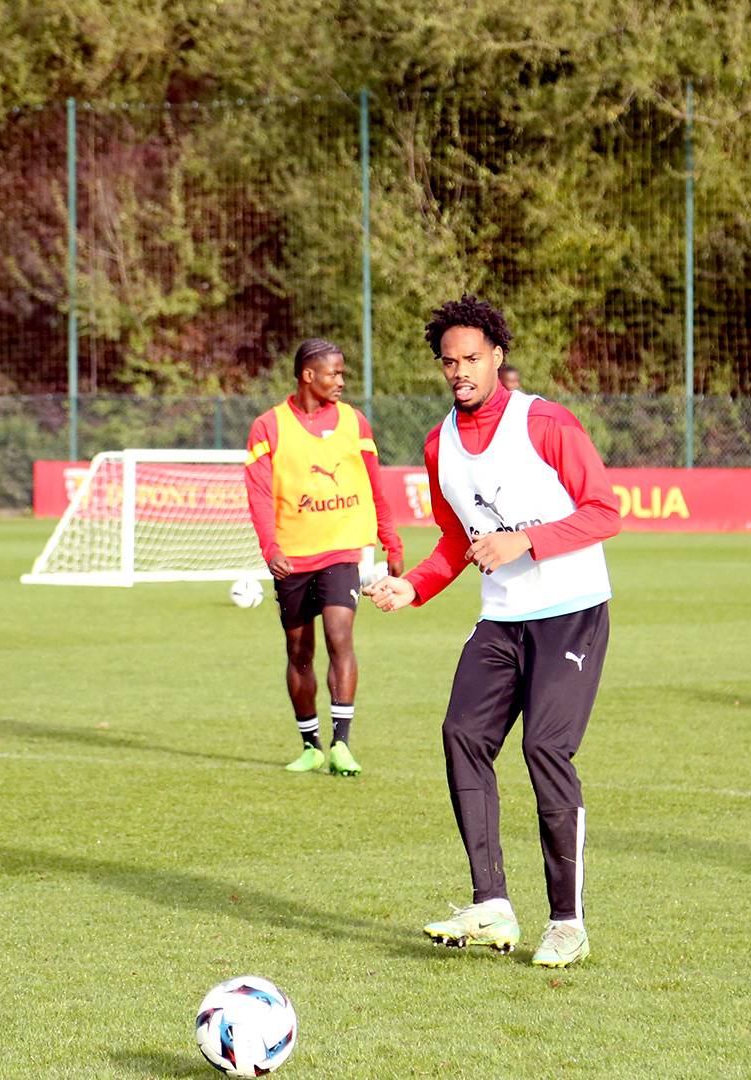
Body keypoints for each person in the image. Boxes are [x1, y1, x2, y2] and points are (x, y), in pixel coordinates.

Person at [364, 296, 620, 968]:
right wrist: (411, 585)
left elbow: (604, 512)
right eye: (449, 362)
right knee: (462, 734)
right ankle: (492, 906)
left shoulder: (546, 423)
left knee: (545, 749)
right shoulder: (437, 444)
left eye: (470, 358)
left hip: (571, 609)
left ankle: (567, 921)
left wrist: (524, 543)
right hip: (502, 620)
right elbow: (456, 540)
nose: (459, 371)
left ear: (497, 356)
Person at [244, 338, 404, 775]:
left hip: (342, 549)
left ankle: (342, 744)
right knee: (300, 651)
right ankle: (311, 745)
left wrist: (391, 540)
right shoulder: (268, 426)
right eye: (334, 373)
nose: (341, 380)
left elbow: (374, 485)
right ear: (307, 375)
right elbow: (258, 494)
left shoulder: (355, 422)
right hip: (292, 557)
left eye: (343, 372)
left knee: (340, 636)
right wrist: (270, 549)